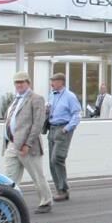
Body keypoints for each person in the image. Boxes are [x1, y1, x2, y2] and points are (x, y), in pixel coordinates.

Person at [2, 72, 53, 213]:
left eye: (22, 82)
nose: (19, 85)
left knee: (37, 175)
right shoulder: (15, 100)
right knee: (9, 177)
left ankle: (46, 201)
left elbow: (38, 124)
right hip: (11, 144)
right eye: (16, 82)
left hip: (28, 146)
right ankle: (8, 201)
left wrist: (28, 144)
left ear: (28, 83)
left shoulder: (36, 99)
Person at [46, 72, 81, 201]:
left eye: (54, 81)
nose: (51, 84)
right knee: (51, 161)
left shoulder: (70, 97)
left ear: (61, 82)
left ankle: (63, 189)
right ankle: (59, 189)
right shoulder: (51, 95)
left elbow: (77, 115)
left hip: (63, 128)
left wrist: (67, 129)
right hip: (52, 128)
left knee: (57, 158)